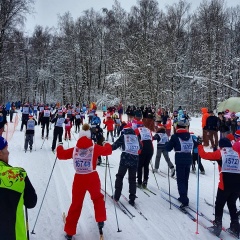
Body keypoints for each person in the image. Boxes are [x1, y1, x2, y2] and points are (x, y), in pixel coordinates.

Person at [56, 124, 112, 240]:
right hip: (92, 177)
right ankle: (100, 220)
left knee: (76, 204)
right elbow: (108, 151)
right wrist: (105, 143)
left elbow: (60, 155)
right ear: (89, 137)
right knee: (97, 198)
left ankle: (70, 231)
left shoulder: (75, 149)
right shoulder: (94, 147)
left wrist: (59, 146)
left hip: (79, 178)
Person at [198, 138, 240, 238]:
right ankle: (235, 227)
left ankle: (217, 226)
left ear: (221, 146)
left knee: (219, 204)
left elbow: (204, 155)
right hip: (237, 185)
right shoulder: (237, 154)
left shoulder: (221, 152)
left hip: (225, 184)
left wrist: (199, 146)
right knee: (232, 204)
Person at [0, 136, 37, 239]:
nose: (8, 153)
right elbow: (31, 203)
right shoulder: (19, 175)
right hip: (15, 235)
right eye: (6, 150)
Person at [166, 121, 196, 209]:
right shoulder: (190, 136)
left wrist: (167, 144)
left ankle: (184, 199)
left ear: (177, 127)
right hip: (188, 158)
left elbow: (168, 148)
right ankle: (183, 196)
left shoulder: (175, 136)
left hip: (180, 159)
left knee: (180, 180)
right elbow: (195, 146)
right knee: (185, 179)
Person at [112, 123, 141, 206]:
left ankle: (117, 196)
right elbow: (141, 147)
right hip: (135, 160)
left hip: (125, 160)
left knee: (120, 176)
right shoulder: (136, 137)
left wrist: (107, 148)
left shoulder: (124, 136)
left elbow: (115, 146)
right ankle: (132, 198)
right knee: (132, 179)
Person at [135, 121, 154, 188]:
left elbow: (134, 138)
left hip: (142, 149)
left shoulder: (137, 130)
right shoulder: (148, 130)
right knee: (146, 165)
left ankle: (139, 182)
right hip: (150, 149)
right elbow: (151, 139)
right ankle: (145, 181)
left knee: (140, 165)